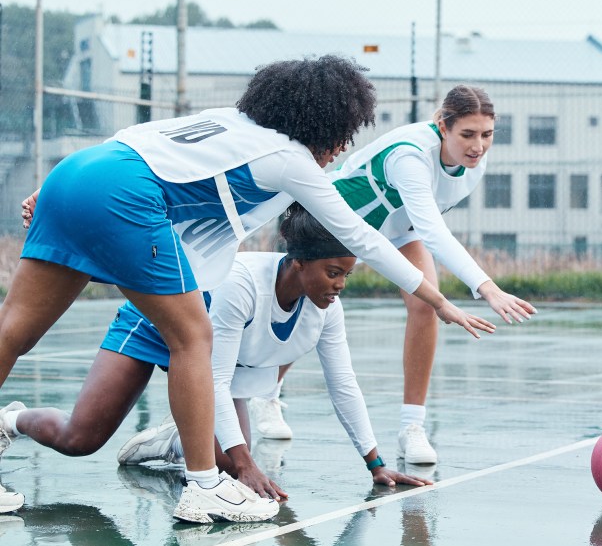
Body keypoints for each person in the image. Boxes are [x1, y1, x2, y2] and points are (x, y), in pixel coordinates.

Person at [0, 55, 492, 521]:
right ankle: (205, 488)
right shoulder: (290, 159)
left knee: (12, 332)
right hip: (125, 196)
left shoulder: (230, 122)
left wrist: (62, 192)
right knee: (193, 337)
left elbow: (133, 141)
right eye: (342, 135)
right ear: (324, 124)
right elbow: (365, 237)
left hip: (76, 173)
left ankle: (187, 461)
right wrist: (439, 300)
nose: (342, 148)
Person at [112, 203, 430, 495]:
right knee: (80, 439)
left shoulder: (328, 308)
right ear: (299, 262)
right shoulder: (241, 283)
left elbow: (343, 385)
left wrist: (376, 465)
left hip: (214, 357)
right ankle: (190, 423)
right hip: (157, 327)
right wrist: (247, 465)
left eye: (346, 275)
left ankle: (178, 437)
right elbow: (216, 380)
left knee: (228, 457)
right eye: (333, 273)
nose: (340, 285)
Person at [326, 84, 536, 464]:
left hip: (401, 230)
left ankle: (412, 427)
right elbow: (434, 231)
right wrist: (487, 288)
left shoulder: (475, 160)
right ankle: (268, 397)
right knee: (311, 308)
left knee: (425, 306)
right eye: (467, 135)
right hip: (343, 220)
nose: (478, 145)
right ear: (443, 125)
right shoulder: (411, 155)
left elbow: (424, 223)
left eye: (487, 135)